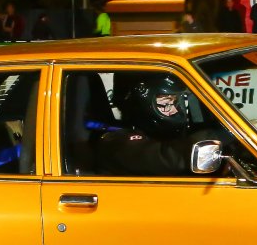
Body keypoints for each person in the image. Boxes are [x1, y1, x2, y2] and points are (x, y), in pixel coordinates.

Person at [94, 75, 222, 176]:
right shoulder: (116, 144)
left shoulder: (160, 135)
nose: (175, 110)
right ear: (141, 104)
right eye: (166, 103)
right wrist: (224, 135)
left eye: (177, 102)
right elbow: (172, 159)